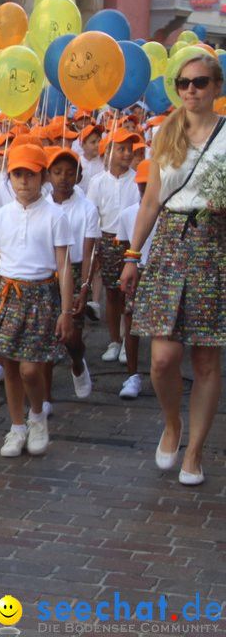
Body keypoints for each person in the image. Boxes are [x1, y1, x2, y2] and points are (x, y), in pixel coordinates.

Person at [120, 53, 225, 486]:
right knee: (162, 360)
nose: (191, 91)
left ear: (217, 86)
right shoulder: (166, 133)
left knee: (204, 360)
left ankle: (195, 451)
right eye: (183, 83)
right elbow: (150, 202)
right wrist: (132, 254)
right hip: (169, 244)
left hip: (216, 246)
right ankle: (171, 423)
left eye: (200, 82)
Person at [0, 144, 74, 457]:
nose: (24, 181)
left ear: (41, 176)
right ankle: (16, 426)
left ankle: (38, 416)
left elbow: (64, 265)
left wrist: (66, 310)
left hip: (40, 296)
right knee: (10, 365)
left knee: (32, 369)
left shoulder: (56, 216)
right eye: (17, 174)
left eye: (30, 174)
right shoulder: (1, 215)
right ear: (10, 177)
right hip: (7, 294)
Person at [44, 147, 101, 411]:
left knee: (71, 339)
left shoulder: (87, 208)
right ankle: (44, 398)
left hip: (75, 269)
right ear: (48, 175)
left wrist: (85, 287)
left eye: (69, 173)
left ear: (78, 177)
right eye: (57, 172)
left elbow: (89, 253)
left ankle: (77, 362)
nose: (63, 178)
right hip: (46, 272)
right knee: (44, 336)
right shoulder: (41, 204)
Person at [87, 129, 141, 365]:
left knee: (129, 294)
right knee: (111, 293)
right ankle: (114, 340)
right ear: (108, 152)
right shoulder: (98, 182)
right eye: (121, 149)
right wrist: (96, 248)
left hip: (132, 242)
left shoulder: (138, 180)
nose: (127, 153)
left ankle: (128, 341)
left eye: (130, 149)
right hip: (108, 240)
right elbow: (93, 216)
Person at [115, 158, 153, 400]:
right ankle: (132, 375)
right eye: (141, 185)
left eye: (150, 185)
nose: (145, 190)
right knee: (130, 321)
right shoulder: (129, 214)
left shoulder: (172, 213)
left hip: (162, 271)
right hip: (137, 268)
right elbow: (125, 247)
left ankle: (165, 373)